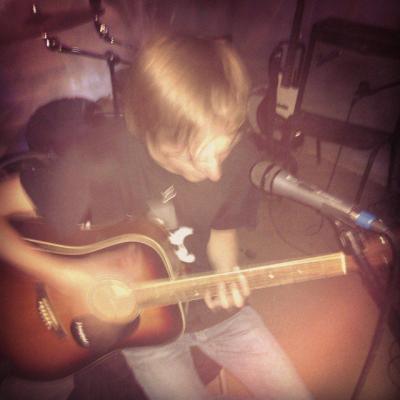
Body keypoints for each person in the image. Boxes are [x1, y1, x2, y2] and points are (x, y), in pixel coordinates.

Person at [0, 34, 313, 400]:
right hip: (145, 327)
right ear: (153, 132)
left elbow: (222, 229)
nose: (214, 172)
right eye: (193, 156)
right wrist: (67, 276)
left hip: (216, 314)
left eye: (222, 150)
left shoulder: (241, 158)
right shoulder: (98, 163)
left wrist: (227, 270)